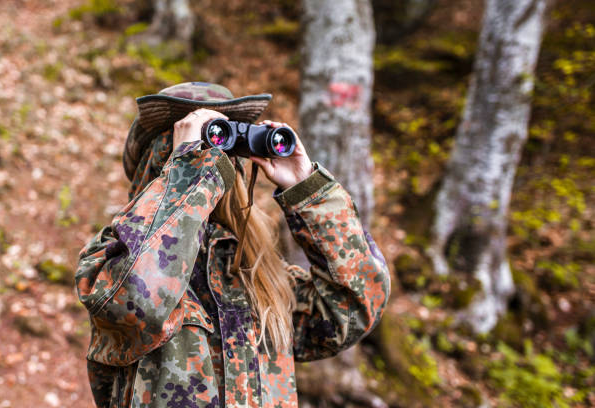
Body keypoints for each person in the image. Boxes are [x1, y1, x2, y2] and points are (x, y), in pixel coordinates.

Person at [75, 82, 391, 408]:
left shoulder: (258, 277)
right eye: (204, 140)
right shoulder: (113, 260)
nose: (214, 157)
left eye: (223, 144)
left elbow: (355, 307)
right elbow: (138, 301)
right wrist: (188, 172)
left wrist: (307, 189)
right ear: (159, 162)